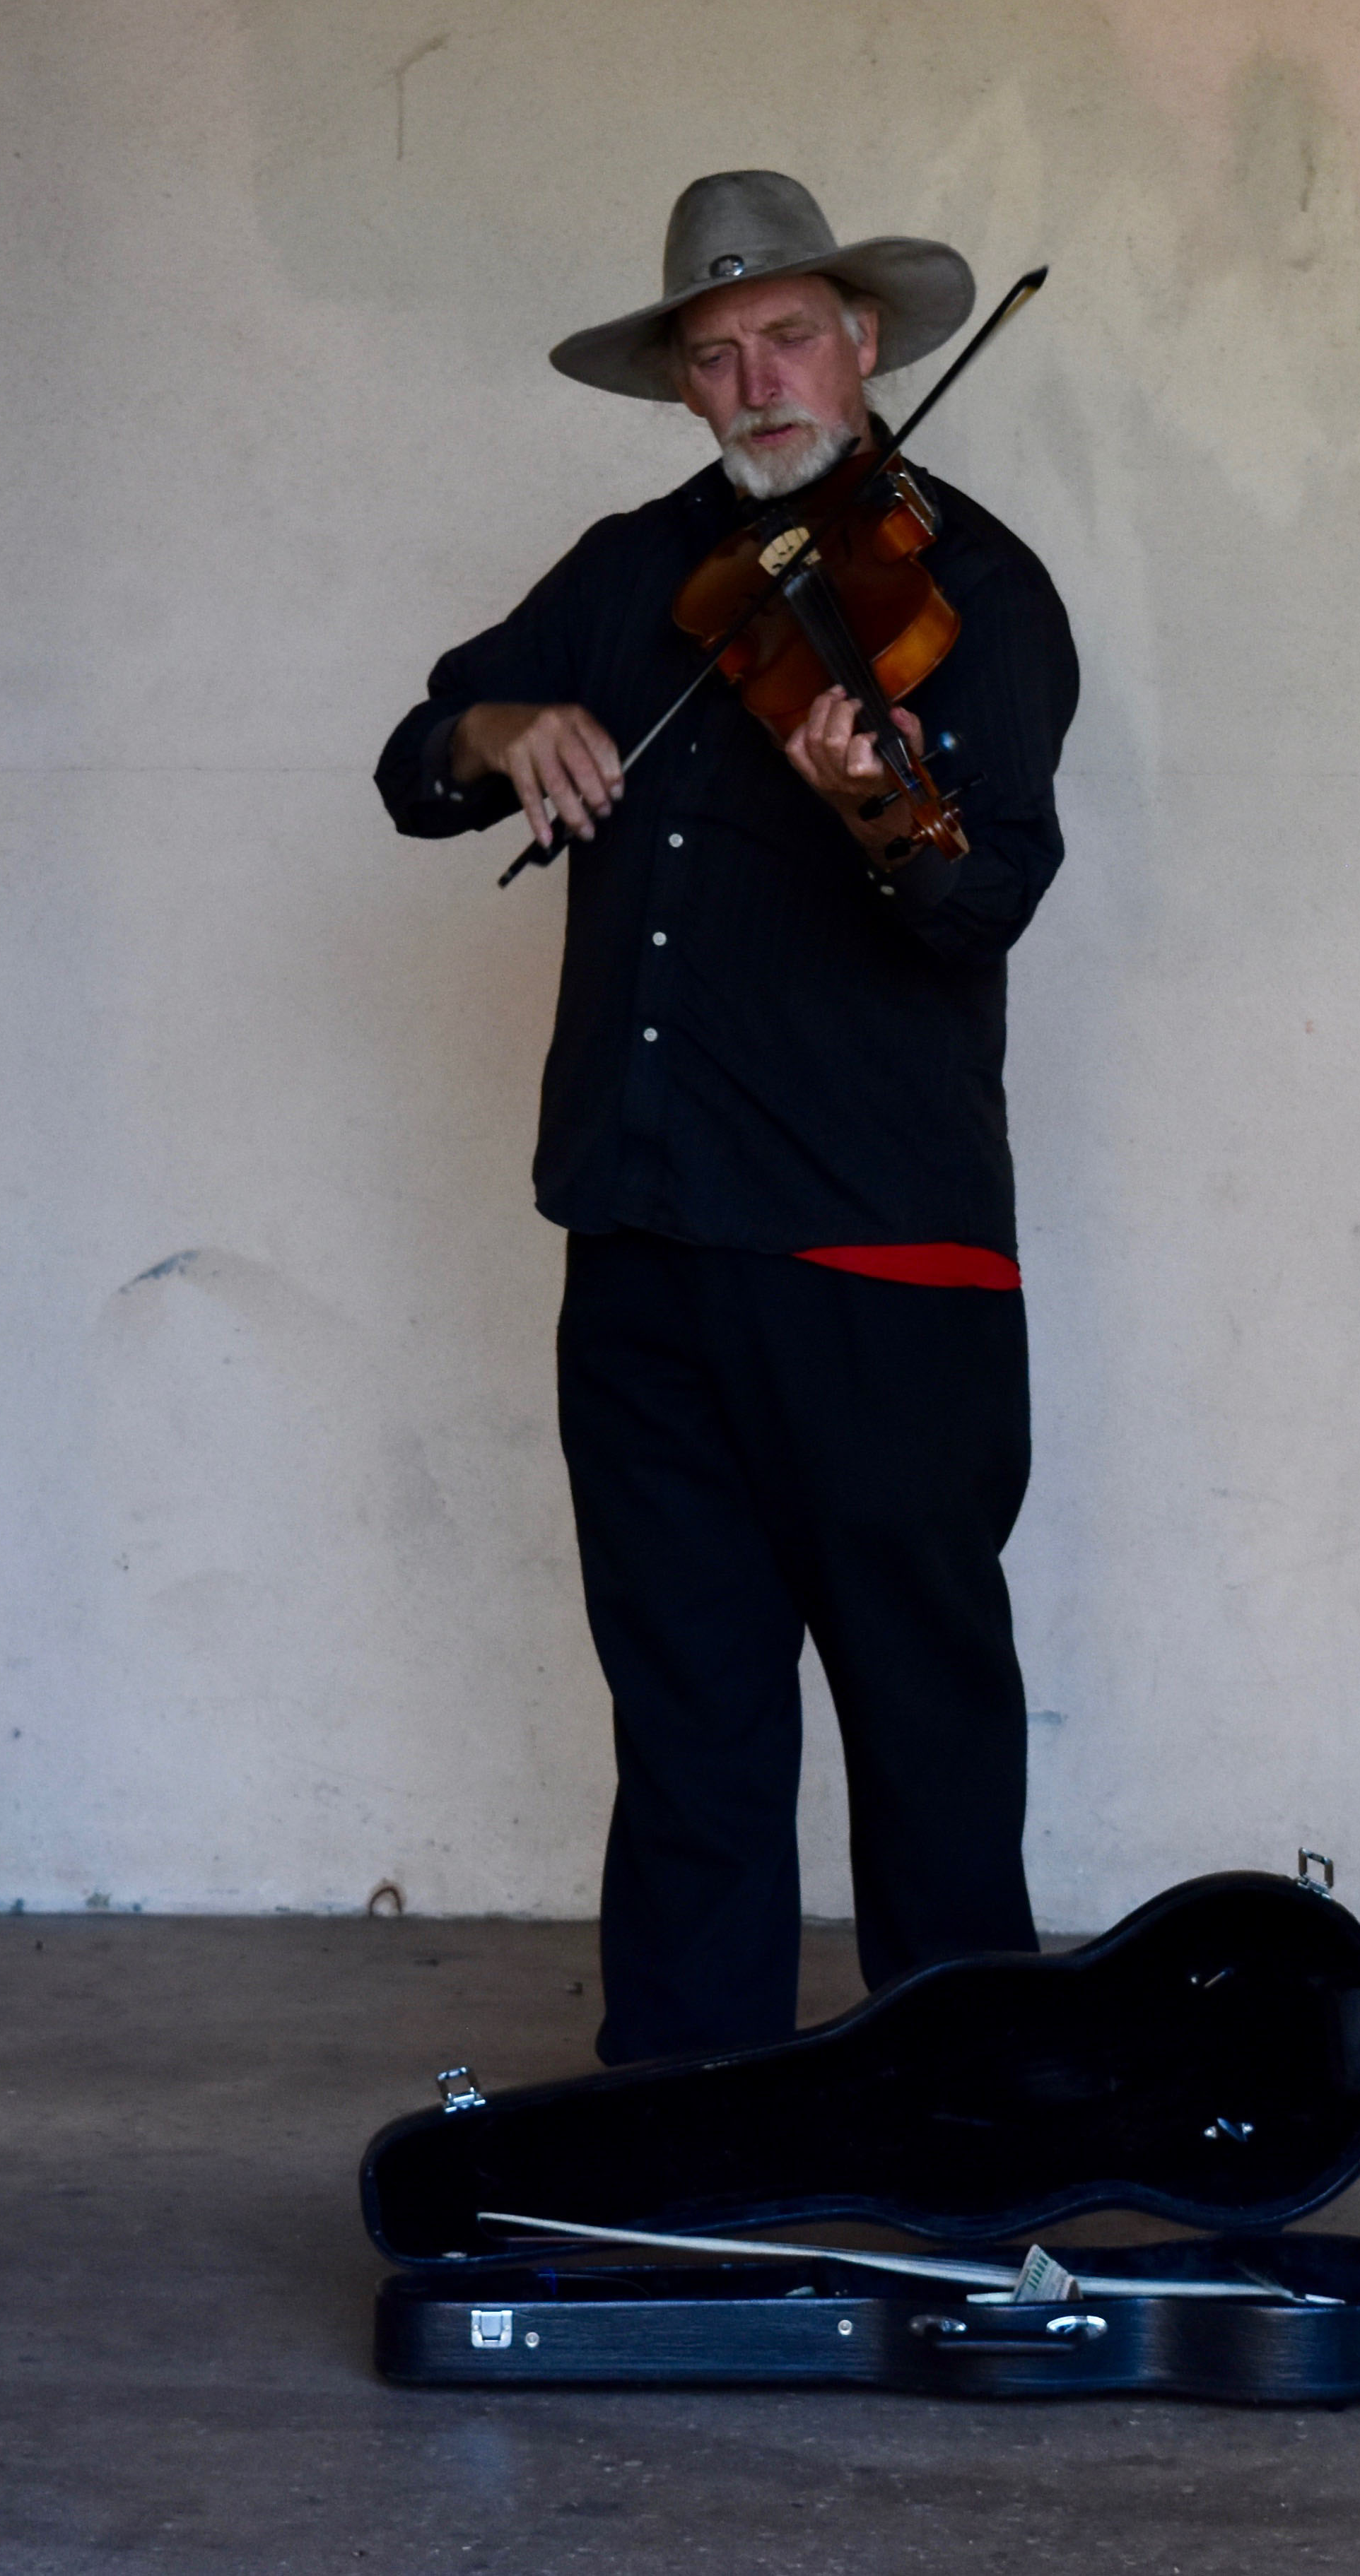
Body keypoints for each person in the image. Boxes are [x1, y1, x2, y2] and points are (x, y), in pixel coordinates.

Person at [374, 173, 1077, 2064]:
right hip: (644, 1230)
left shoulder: (976, 593)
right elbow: (414, 757)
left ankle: (959, 2121)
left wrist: (884, 810)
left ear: (864, 345)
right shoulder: (629, 574)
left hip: (873, 1248)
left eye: (788, 336)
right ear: (681, 385)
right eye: (715, 351)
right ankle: (685, 2120)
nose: (757, 377)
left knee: (923, 1719)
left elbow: (986, 899)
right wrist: (503, 736)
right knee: (687, 1715)